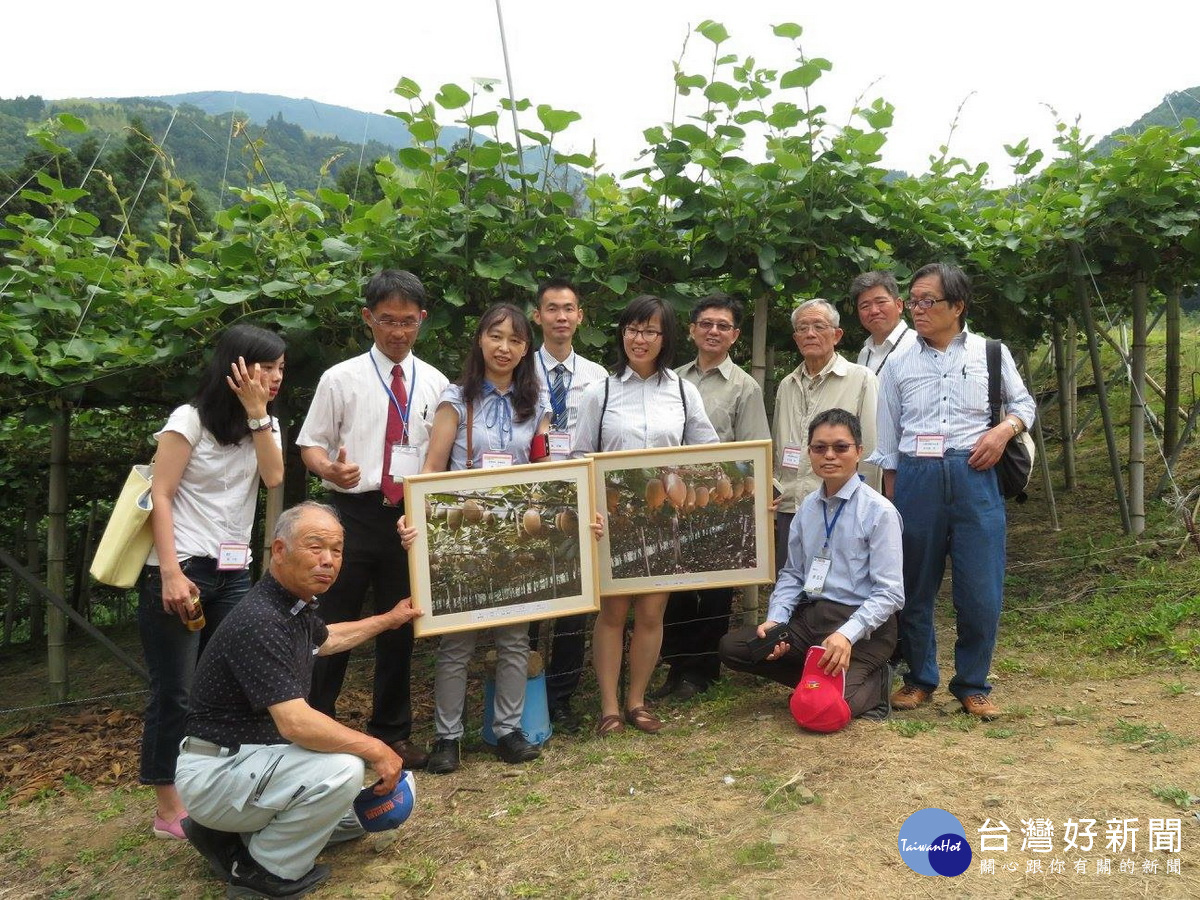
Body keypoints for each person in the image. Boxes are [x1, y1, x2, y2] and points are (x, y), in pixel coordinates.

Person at [175, 502, 421, 899]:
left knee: (365, 809)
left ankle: (228, 831)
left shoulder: (292, 604)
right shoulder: (261, 620)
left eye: (337, 550)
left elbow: (328, 640)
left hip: (250, 762)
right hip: (219, 769)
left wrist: (389, 619)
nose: (328, 560)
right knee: (343, 770)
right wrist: (377, 747)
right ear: (280, 551)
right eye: (315, 547)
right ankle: (262, 870)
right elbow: (296, 723)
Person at [296, 269, 449, 770]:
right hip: (349, 515)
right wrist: (329, 470)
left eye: (408, 321)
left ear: (422, 321)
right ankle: (315, 730)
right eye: (387, 320)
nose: (398, 332)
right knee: (329, 624)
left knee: (400, 623)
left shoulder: (437, 382)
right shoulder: (340, 378)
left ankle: (393, 732)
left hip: (408, 518)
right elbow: (309, 444)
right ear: (368, 319)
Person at [138, 324, 285, 841]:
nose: (274, 377)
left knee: (235, 683)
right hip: (182, 570)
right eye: (265, 367)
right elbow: (162, 494)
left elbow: (272, 478)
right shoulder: (188, 420)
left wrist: (257, 414)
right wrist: (171, 572)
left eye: (280, 369)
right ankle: (167, 804)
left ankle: (223, 786)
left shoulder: (264, 425)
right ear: (236, 368)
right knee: (175, 690)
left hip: (235, 573)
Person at [870, 263, 1035, 719]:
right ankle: (920, 679)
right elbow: (887, 446)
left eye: (928, 301)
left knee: (981, 588)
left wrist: (1003, 432)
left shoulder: (990, 353)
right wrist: (892, 504)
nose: (918, 310)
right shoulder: (896, 364)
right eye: (915, 301)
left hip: (975, 476)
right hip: (915, 478)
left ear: (957, 306)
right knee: (913, 585)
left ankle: (972, 683)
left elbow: (1024, 405)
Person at [572, 294, 719, 736]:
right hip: (613, 519)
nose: (641, 339)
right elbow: (581, 455)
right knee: (614, 614)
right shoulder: (599, 391)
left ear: (665, 337)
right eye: (634, 329)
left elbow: (709, 450)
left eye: (651, 331)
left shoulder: (681, 390)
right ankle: (610, 706)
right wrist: (591, 511)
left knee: (652, 613)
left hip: (662, 516)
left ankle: (637, 700)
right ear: (623, 333)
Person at [418, 303, 551, 775]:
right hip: (466, 536)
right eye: (496, 336)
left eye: (516, 340)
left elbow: (546, 469)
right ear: (480, 339)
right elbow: (432, 468)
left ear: (525, 349)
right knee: (456, 642)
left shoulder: (535, 403)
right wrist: (417, 518)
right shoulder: (456, 399)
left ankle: (508, 732)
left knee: (515, 637)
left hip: (516, 536)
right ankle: (447, 737)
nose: (505, 348)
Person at [719, 409, 902, 721]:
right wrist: (776, 622)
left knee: (823, 712)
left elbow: (891, 593)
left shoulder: (879, 512)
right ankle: (817, 678)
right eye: (820, 448)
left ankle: (875, 680)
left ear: (858, 452)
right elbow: (792, 573)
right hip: (812, 619)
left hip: (863, 627)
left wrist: (847, 634)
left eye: (840, 447)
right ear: (810, 453)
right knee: (734, 647)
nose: (829, 455)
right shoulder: (807, 509)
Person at [656, 293, 770, 701]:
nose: (714, 331)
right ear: (692, 329)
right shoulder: (671, 378)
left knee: (715, 588)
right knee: (676, 585)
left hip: (719, 501)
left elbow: (754, 449)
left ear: (735, 335)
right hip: (674, 498)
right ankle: (676, 665)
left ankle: (702, 669)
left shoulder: (745, 386)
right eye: (706, 323)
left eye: (723, 326)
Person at [528, 278, 608, 732]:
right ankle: (525, 692)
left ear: (580, 316)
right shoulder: (519, 369)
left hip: (580, 499)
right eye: (552, 308)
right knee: (530, 601)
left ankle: (561, 697)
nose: (561, 316)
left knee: (576, 602)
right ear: (538, 316)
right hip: (532, 498)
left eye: (569, 309)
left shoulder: (599, 377)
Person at [772, 299, 879, 575]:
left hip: (841, 506)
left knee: (840, 587)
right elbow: (779, 446)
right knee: (792, 582)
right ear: (795, 338)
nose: (810, 334)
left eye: (819, 326)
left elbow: (870, 450)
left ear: (837, 335)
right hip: (791, 506)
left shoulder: (861, 379)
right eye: (803, 328)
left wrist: (865, 506)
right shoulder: (787, 385)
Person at [852, 271, 916, 374]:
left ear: (899, 305)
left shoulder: (918, 346)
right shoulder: (864, 354)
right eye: (865, 306)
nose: (874, 311)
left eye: (881, 302)